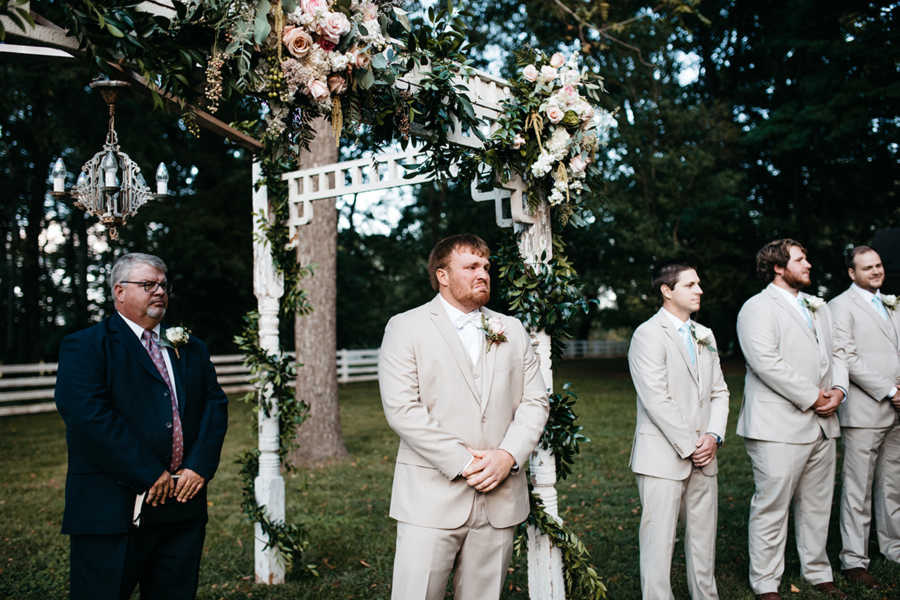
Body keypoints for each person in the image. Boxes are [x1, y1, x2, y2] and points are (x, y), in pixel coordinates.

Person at [378, 233, 549, 600]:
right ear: (442, 275)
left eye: (486, 267)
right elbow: (403, 409)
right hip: (430, 497)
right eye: (471, 266)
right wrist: (464, 462)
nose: (483, 274)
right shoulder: (405, 327)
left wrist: (507, 457)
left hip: (500, 497)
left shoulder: (512, 330)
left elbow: (535, 401)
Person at [55, 252, 228, 600]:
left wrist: (199, 466)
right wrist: (149, 473)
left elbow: (215, 405)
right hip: (112, 508)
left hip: (183, 503)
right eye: (148, 285)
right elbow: (89, 417)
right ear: (119, 292)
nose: (159, 292)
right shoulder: (86, 346)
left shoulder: (190, 347)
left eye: (163, 285)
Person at [736, 239, 849, 600]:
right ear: (778, 268)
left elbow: (836, 354)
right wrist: (813, 396)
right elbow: (765, 361)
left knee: (818, 503)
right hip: (777, 425)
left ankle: (817, 570)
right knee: (772, 506)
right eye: (801, 260)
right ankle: (766, 582)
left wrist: (838, 391)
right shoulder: (756, 308)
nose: (809, 264)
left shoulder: (819, 308)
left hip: (822, 423)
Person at [627, 262, 729, 599]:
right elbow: (656, 398)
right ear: (667, 291)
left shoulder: (705, 335)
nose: (699, 290)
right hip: (662, 456)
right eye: (690, 285)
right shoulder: (647, 334)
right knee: (658, 542)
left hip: (705, 452)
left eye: (699, 284)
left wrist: (713, 436)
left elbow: (720, 392)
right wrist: (691, 445)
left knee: (703, 539)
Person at [829, 246, 900, 588]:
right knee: (858, 488)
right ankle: (854, 560)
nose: (875, 271)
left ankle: (893, 547)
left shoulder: (892, 302)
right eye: (867, 267)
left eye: (879, 265)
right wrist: (891, 390)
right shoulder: (840, 307)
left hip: (897, 408)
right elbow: (847, 357)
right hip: (864, 409)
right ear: (851, 273)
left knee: (892, 483)